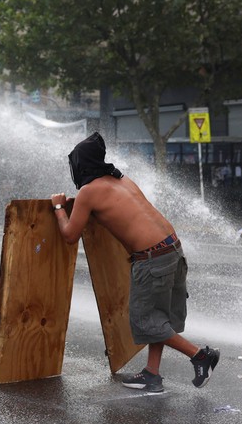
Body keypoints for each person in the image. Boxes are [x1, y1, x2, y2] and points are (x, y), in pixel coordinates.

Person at [50, 132, 219, 394]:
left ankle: (200, 356)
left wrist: (59, 208)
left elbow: (70, 235)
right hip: (172, 248)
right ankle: (152, 375)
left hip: (152, 259)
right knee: (158, 318)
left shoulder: (88, 191)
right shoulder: (122, 179)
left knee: (145, 322)